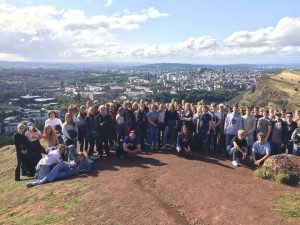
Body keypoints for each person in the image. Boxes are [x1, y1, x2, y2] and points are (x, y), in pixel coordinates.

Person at [26, 152, 91, 188]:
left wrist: (79, 171)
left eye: (81, 157)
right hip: (67, 167)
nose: (79, 158)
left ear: (84, 157)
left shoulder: (86, 162)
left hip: (69, 172)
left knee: (54, 176)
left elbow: (88, 169)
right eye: (79, 157)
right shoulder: (76, 160)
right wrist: (69, 162)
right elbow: (71, 153)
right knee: (58, 165)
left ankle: (36, 183)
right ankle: (40, 179)